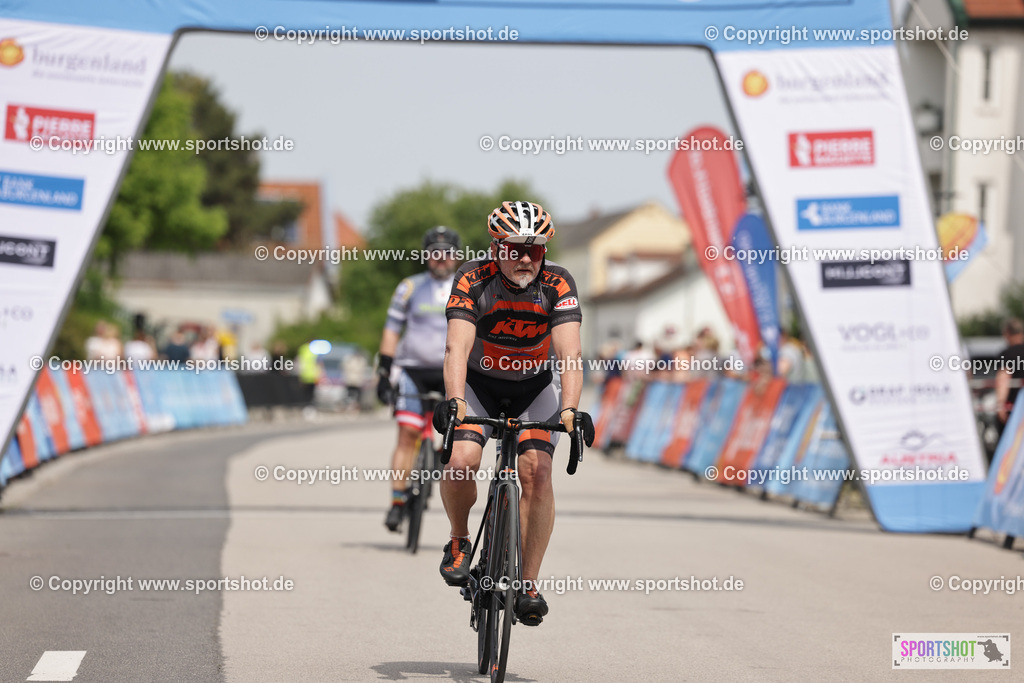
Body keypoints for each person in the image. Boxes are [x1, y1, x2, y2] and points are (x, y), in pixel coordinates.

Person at [433, 201, 594, 626]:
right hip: (479, 386)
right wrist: (455, 401)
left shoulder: (558, 283)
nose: (525, 259)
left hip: (534, 389)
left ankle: (528, 584)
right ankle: (458, 539)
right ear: (495, 247)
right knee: (462, 459)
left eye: (536, 250)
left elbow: (570, 354)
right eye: (515, 249)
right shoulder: (472, 278)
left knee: (537, 472)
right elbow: (456, 348)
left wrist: (572, 410)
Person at [377, 226, 463, 532]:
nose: (441, 259)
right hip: (413, 370)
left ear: (457, 257)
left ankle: (439, 456)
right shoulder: (409, 287)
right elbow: (391, 330)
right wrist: (384, 371)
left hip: (451, 372)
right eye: (435, 254)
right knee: (406, 436)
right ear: (427, 256)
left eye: (447, 254)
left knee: (457, 437)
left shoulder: (467, 287)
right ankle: (397, 502)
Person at [995, 318, 1024, 428]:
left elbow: (1003, 378)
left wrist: (1001, 404)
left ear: (1007, 333)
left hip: (1013, 409)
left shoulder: (1007, 355)